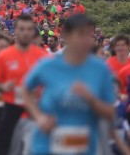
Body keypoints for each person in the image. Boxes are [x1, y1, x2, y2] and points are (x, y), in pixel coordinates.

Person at [22, 14, 115, 155]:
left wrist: (91, 99)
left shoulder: (101, 69)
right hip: (46, 147)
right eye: (80, 34)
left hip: (83, 148)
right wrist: (38, 117)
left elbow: (110, 114)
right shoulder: (48, 65)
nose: (86, 40)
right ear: (66, 35)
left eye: (89, 35)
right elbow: (25, 89)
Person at [0, 15, 47, 155]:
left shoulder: (43, 57)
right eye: (22, 29)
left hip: (35, 109)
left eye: (29, 29)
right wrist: (3, 87)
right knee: (3, 148)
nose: (26, 32)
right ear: (15, 31)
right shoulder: (4, 56)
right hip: (12, 108)